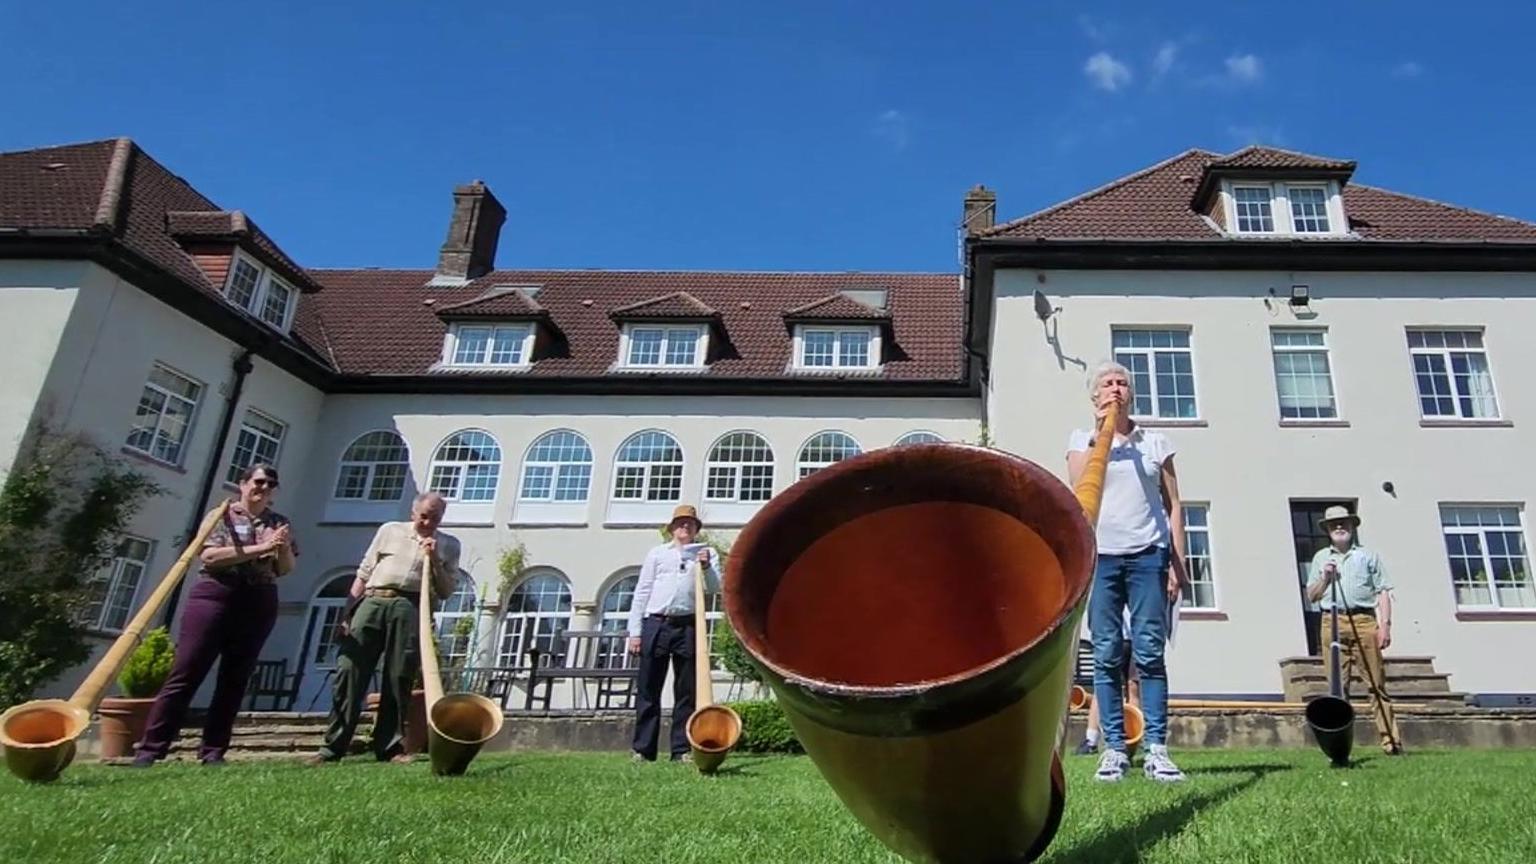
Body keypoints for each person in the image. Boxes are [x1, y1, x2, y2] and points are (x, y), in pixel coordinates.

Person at [1067, 362, 1189, 783]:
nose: (1116, 388)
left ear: (1131, 393)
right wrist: (1103, 431)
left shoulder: (1155, 443)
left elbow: (1175, 506)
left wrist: (1178, 562)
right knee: (1105, 654)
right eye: (1107, 384)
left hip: (1148, 555)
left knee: (1150, 652)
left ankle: (1157, 748)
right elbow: (1080, 493)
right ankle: (1114, 748)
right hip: (1102, 559)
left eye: (1122, 383)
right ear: (1094, 397)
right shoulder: (1081, 440)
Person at [131, 464, 296, 766]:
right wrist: (260, 547)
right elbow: (208, 555)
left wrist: (282, 548)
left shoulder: (278, 522)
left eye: (271, 484)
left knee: (236, 677)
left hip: (258, 597)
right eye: (259, 481)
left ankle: (213, 751)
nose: (264, 488)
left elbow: (284, 569)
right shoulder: (223, 514)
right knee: (187, 671)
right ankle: (151, 749)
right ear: (243, 484)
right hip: (216, 594)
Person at [305, 491, 460, 765]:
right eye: (424, 516)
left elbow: (446, 590)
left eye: (435, 518)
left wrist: (434, 558)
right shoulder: (390, 530)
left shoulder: (448, 545)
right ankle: (333, 747)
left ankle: (389, 748)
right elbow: (364, 572)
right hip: (374, 600)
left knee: (399, 675)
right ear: (413, 513)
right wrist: (347, 614)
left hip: (410, 605)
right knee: (349, 670)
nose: (428, 523)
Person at [627, 504, 722, 763]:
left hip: (688, 625)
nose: (685, 527)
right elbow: (642, 592)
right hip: (656, 623)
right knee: (649, 687)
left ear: (696, 529)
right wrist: (635, 632)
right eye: (681, 523)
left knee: (686, 690)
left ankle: (681, 749)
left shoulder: (706, 553)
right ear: (672, 528)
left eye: (690, 523)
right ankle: (643, 749)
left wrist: (705, 568)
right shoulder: (658, 554)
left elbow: (715, 588)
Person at [1305, 505, 1403, 755]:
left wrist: (1385, 626)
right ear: (1327, 529)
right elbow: (1312, 596)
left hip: (1364, 622)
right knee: (1338, 688)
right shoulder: (1320, 558)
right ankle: (1339, 746)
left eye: (1344, 523)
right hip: (1331, 621)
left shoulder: (1368, 556)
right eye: (1334, 524)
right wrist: (1325, 578)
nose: (1339, 527)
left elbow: (1383, 592)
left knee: (1376, 683)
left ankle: (1391, 742)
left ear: (1352, 526)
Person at [1074, 609, 1141, 755]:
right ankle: (1091, 740)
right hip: (1113, 635)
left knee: (1133, 687)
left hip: (1137, 637)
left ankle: (1132, 740)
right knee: (1104, 686)